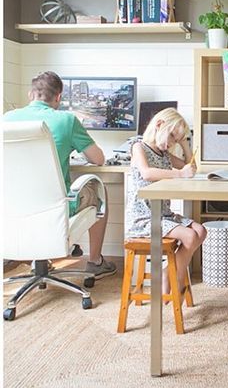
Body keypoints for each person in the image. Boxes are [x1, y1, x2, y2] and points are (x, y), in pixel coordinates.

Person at [3, 71, 116, 279]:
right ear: (58, 97)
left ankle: (41, 259)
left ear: (31, 95)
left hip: (15, 205)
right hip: (56, 206)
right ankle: (95, 261)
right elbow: (98, 159)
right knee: (99, 191)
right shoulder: (66, 120)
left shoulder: (7, 119)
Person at [126, 108, 207, 293]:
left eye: (175, 140)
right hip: (144, 219)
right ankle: (174, 275)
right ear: (159, 124)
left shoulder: (165, 155)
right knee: (190, 236)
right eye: (171, 136)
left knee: (200, 231)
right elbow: (147, 173)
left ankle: (168, 272)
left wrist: (184, 143)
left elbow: (191, 167)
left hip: (164, 215)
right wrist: (179, 173)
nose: (171, 144)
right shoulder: (139, 147)